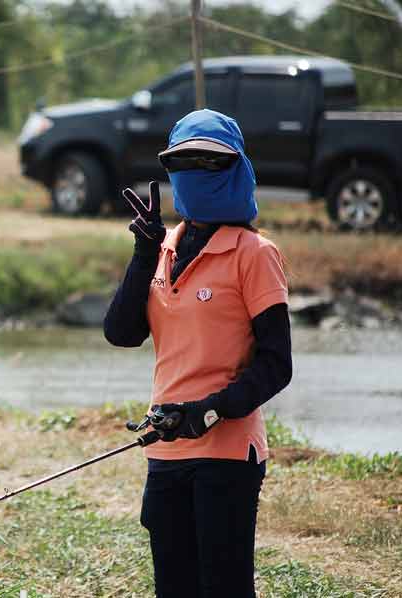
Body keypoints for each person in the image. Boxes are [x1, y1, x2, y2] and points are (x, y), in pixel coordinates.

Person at [103, 109, 293, 598]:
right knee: (174, 587)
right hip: (166, 449)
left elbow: (276, 364)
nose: (197, 171)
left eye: (211, 162)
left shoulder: (254, 253)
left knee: (224, 588)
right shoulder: (163, 247)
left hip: (226, 453)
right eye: (185, 161)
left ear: (236, 168)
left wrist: (210, 410)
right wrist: (143, 254)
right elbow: (122, 334)